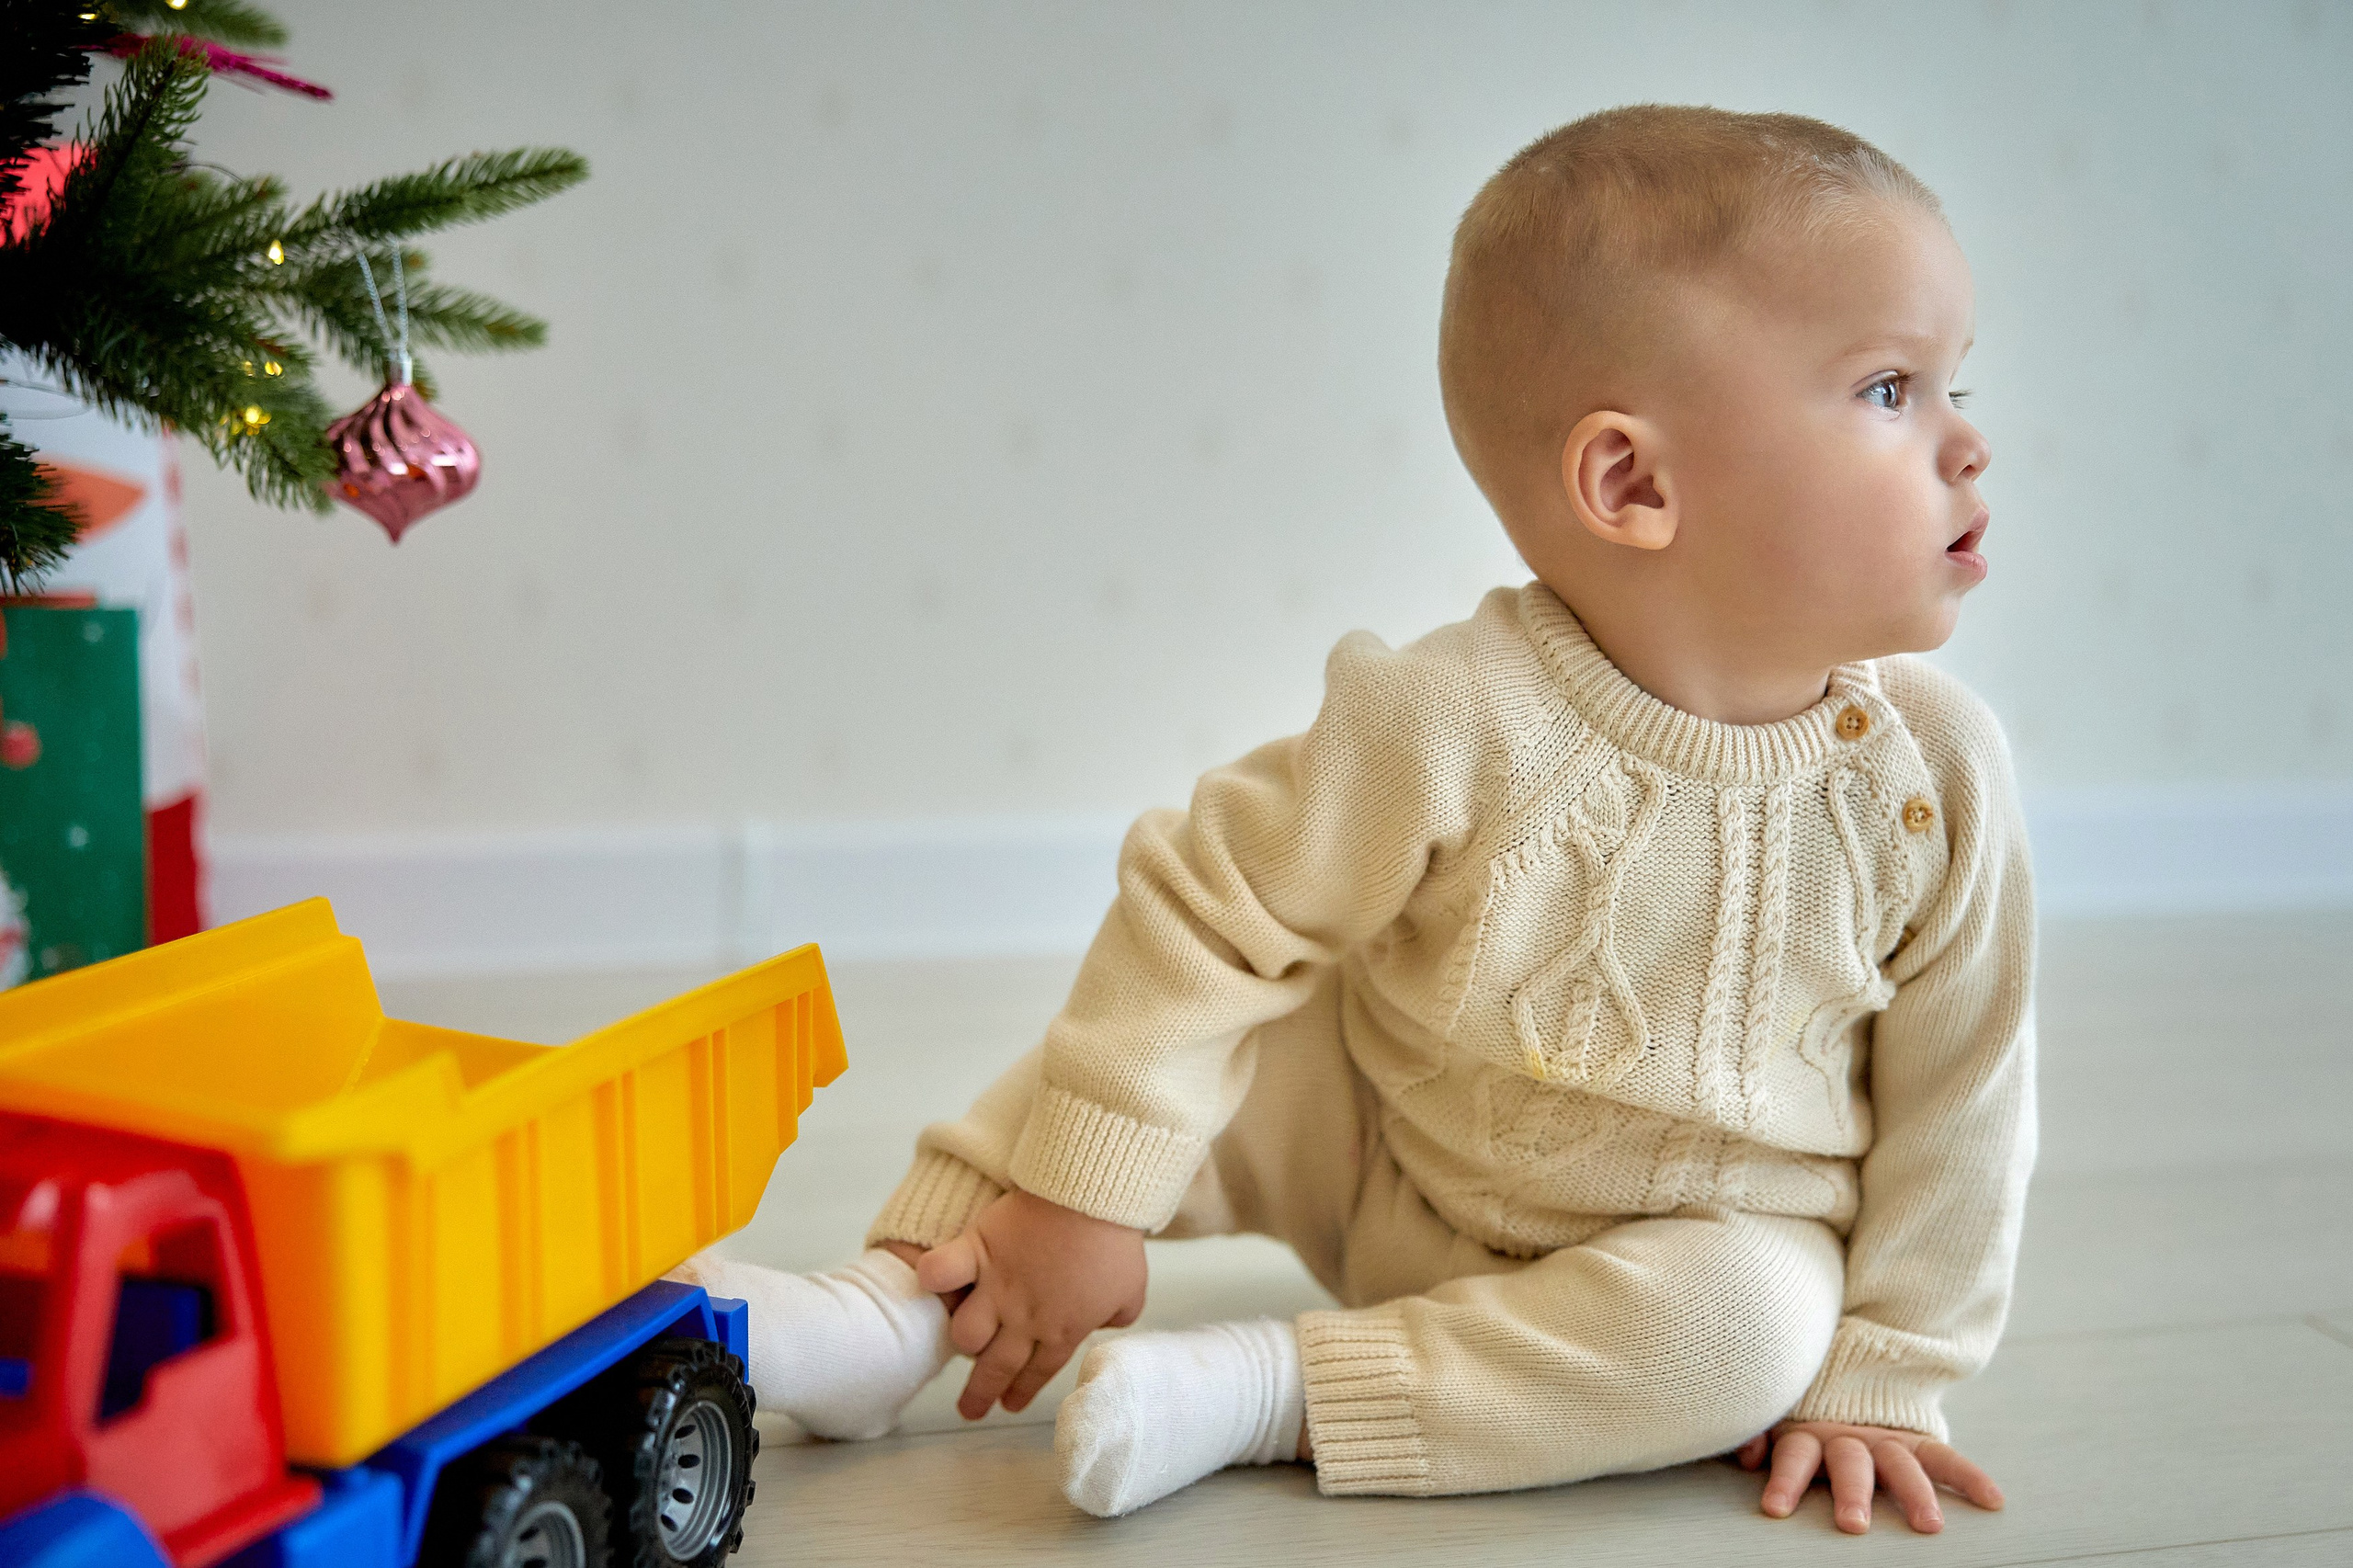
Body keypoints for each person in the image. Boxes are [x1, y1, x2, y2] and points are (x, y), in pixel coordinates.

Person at [677, 103, 2029, 1535]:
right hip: (1379, 1144)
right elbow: (1208, 909)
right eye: (1892, 390)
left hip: (1673, 1243)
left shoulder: (1931, 777)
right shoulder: (1449, 714)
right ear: (1633, 481)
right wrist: (1086, 1194)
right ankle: (899, 1310)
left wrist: (1883, 1371)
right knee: (1180, 1039)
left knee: (1753, 1328)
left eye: (1956, 385)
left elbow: (1966, 1095)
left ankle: (1265, 1390)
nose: (1968, 444)